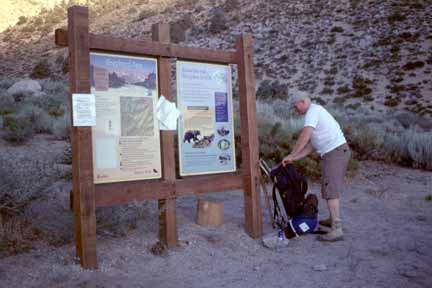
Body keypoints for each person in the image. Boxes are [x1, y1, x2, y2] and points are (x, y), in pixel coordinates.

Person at [282, 90, 351, 242]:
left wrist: (292, 154)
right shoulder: (315, 112)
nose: (295, 110)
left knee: (330, 189)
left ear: (302, 102)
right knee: (328, 187)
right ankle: (333, 219)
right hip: (334, 152)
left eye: (295, 107)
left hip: (335, 152)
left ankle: (337, 229)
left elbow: (305, 135)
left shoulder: (313, 111)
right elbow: (311, 145)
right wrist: (294, 159)